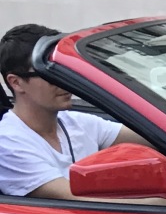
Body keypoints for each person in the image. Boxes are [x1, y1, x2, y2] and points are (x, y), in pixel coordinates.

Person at [0, 23, 156, 200]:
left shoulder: (75, 122)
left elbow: (159, 138)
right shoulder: (7, 143)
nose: (63, 82)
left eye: (63, 71)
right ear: (16, 83)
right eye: (49, 73)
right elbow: (74, 197)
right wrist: (163, 203)